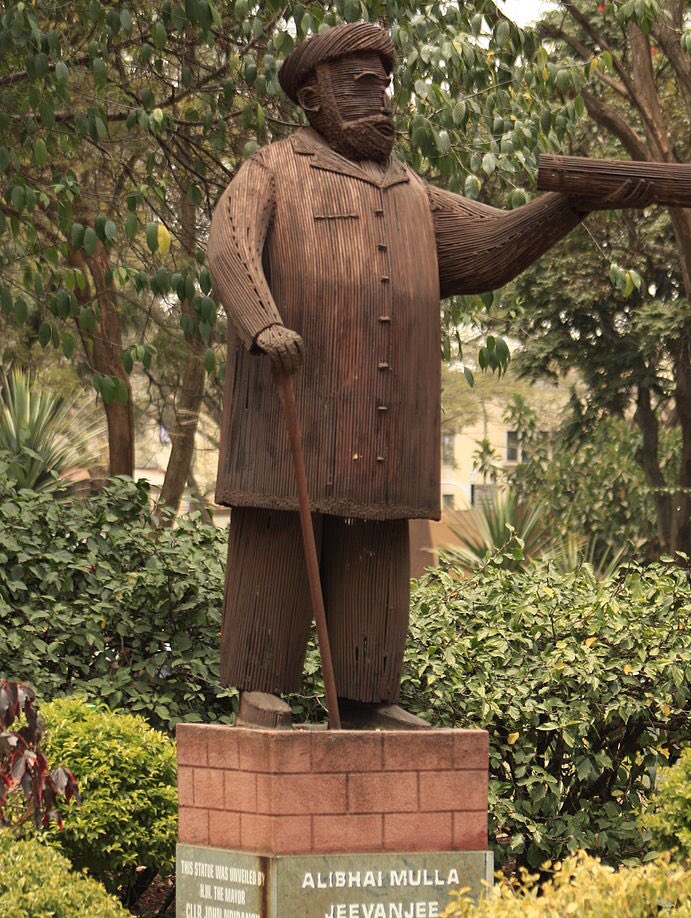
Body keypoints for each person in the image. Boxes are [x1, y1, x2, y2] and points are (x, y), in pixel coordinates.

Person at [208, 21, 651, 729]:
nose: (382, 101)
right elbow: (229, 246)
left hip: (388, 421)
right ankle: (260, 684)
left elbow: (486, 247)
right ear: (315, 97)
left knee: (377, 550)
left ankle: (366, 690)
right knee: (276, 536)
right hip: (292, 399)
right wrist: (262, 322)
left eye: (385, 86)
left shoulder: (414, 193)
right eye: (362, 85)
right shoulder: (273, 169)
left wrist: (568, 205)